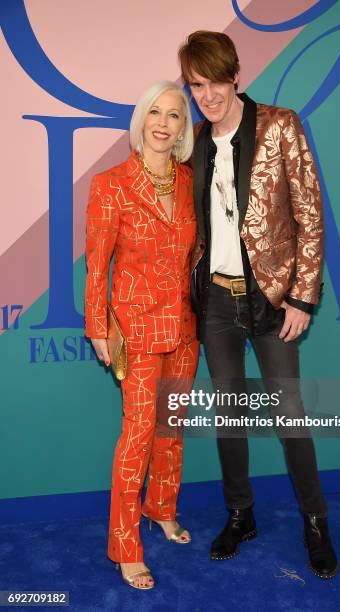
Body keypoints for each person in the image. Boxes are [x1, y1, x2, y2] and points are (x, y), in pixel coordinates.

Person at [178, 31, 338, 578]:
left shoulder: (279, 124)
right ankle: (241, 514)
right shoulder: (195, 140)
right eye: (196, 85)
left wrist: (302, 297)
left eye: (214, 81)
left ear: (235, 74)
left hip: (274, 299)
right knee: (229, 414)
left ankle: (315, 521)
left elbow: (310, 215)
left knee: (290, 415)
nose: (206, 94)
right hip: (218, 300)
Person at [84, 81, 199, 590]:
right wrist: (97, 326)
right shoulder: (110, 184)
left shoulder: (190, 180)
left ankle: (162, 508)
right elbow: (97, 266)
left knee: (171, 430)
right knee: (136, 436)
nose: (163, 122)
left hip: (186, 328)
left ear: (182, 129)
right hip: (136, 327)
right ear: (141, 120)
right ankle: (126, 544)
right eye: (155, 112)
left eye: (174, 115)